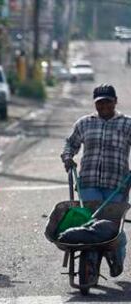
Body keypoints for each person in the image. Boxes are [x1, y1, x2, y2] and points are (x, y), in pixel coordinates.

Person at [61, 84, 131, 277]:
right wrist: (68, 157)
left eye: (108, 101)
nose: (104, 106)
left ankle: (116, 257)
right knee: (90, 223)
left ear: (115, 101)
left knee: (112, 226)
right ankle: (90, 262)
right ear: (95, 104)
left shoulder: (127, 124)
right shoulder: (84, 123)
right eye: (100, 103)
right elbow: (71, 143)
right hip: (88, 182)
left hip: (117, 184)